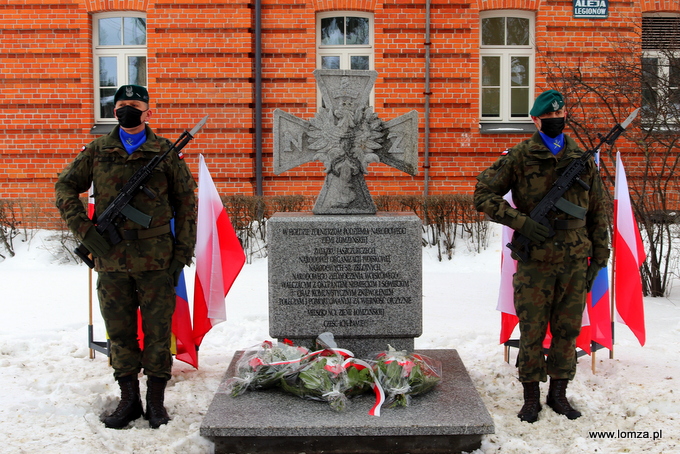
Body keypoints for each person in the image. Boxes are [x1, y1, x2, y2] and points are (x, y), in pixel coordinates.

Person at [55, 85, 197, 429]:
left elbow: (186, 203)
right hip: (112, 258)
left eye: (133, 105)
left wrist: (182, 253)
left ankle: (156, 402)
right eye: (120, 106)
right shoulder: (98, 149)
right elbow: (64, 187)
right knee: (119, 332)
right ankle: (129, 399)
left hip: (157, 259)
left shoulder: (163, 151)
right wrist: (85, 232)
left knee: (158, 332)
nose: (126, 111)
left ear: (148, 111)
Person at [474, 89, 610, 423]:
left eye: (559, 117)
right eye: (548, 118)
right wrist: (520, 222)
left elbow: (597, 210)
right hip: (535, 257)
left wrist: (601, 256)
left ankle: (559, 395)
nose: (555, 122)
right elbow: (483, 194)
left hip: (576, 259)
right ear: (535, 120)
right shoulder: (520, 156)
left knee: (567, 328)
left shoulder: (582, 158)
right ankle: (531, 397)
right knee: (532, 329)